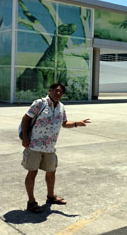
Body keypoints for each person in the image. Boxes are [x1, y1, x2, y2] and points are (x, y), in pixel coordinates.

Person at [21, 82, 91, 213]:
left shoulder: (62, 107)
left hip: (50, 147)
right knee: (32, 172)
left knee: (51, 171)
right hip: (34, 145)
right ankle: (31, 202)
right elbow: (26, 118)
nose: (58, 93)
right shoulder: (39, 103)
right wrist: (25, 138)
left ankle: (51, 196)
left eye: (61, 92)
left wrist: (77, 123)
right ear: (50, 90)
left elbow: (64, 123)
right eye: (56, 90)